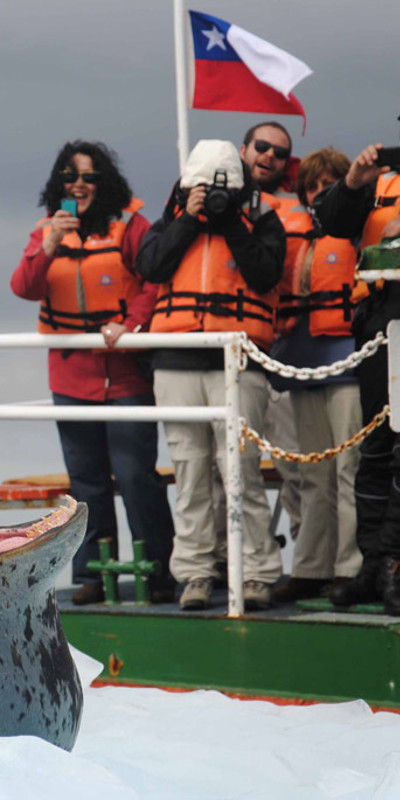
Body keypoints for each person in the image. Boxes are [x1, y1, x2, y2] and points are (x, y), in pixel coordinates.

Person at [10, 140, 175, 606]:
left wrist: (130, 324)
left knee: (136, 474)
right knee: (85, 483)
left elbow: (154, 281)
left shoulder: (131, 226)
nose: (78, 185)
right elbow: (24, 287)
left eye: (88, 177)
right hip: (71, 376)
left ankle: (159, 570)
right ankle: (92, 575)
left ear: (105, 183)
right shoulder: (47, 230)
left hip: (125, 374)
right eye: (69, 177)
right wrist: (47, 246)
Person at [137, 139, 285, 611]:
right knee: (190, 473)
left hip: (236, 363)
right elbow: (150, 266)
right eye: (201, 187)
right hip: (177, 362)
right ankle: (196, 574)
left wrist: (230, 224)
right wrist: (190, 218)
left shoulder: (260, 220)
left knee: (241, 473)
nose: (212, 194)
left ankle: (259, 573)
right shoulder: (173, 220)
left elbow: (264, 275)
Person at [269, 147, 363, 603]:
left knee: (350, 468)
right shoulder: (291, 233)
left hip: (348, 361)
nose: (319, 191)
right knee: (312, 472)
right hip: (303, 362)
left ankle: (351, 565)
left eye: (328, 182)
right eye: (312, 185)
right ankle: (310, 567)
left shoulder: (360, 229)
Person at [315, 141, 400, 614]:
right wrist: (352, 183)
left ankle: (395, 565)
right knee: (376, 447)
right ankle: (374, 564)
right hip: (380, 321)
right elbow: (330, 223)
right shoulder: (377, 180)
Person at [239, 121, 305, 546]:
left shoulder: (299, 211)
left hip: (300, 355)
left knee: (299, 468)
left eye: (279, 152)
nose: (269, 156)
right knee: (228, 467)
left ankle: (308, 563)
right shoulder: (212, 208)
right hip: (247, 353)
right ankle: (233, 563)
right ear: (243, 149)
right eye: (261, 147)